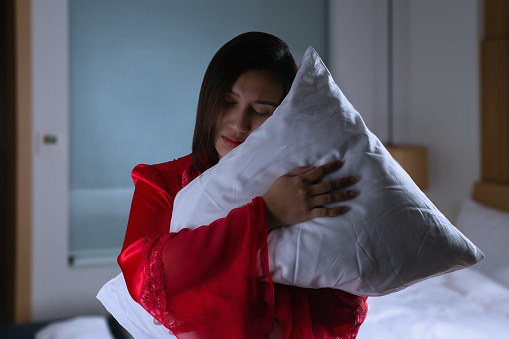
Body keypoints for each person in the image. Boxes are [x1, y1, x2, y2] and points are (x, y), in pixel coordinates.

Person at [118, 32, 367, 339]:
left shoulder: (306, 183)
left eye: (261, 111)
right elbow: (145, 278)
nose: (238, 124)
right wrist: (266, 214)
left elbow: (343, 297)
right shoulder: (163, 182)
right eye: (227, 102)